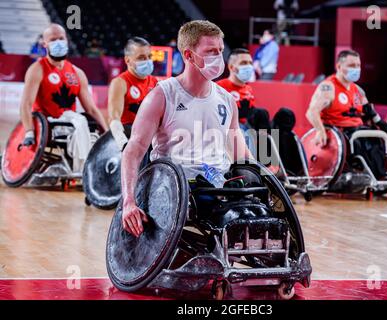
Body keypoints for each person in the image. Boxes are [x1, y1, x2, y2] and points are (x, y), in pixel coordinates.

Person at [120, 20, 253, 237]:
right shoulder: (161, 96)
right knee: (221, 211)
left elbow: (242, 155)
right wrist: (128, 201)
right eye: (210, 51)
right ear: (189, 55)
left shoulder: (227, 100)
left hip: (220, 182)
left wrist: (259, 177)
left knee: (256, 208)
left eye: (220, 50)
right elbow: (133, 151)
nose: (218, 57)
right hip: (178, 186)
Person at [19, 23, 108, 173]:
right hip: (47, 123)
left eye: (61, 38)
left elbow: (91, 108)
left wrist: (106, 132)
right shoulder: (37, 69)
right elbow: (26, 105)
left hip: (68, 122)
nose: (58, 42)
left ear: (66, 40)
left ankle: (85, 166)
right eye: (53, 40)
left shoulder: (77, 73)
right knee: (80, 124)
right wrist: (29, 132)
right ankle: (83, 168)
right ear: (44, 44)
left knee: (89, 130)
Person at [306, 49, 387, 179]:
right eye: (352, 66)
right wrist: (320, 130)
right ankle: (371, 174)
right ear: (339, 66)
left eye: (358, 66)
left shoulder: (358, 90)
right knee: (359, 142)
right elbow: (311, 112)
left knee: (376, 139)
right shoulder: (328, 87)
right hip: (339, 130)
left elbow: (369, 111)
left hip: (358, 128)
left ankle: (381, 173)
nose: (356, 69)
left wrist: (379, 122)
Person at [108, 37, 158, 153]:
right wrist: (122, 143)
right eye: (141, 58)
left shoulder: (155, 82)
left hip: (151, 137)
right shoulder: (120, 83)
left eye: (149, 57)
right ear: (128, 60)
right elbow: (113, 118)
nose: (147, 61)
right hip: (129, 136)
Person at [216, 48, 255, 124]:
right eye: (244, 63)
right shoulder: (219, 87)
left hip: (248, 129)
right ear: (231, 67)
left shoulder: (248, 89)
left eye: (250, 63)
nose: (249, 66)